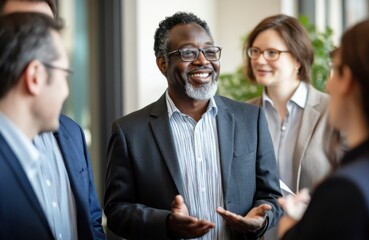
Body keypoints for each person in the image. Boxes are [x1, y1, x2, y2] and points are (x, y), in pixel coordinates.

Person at [104, 11, 283, 239]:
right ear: (162, 63)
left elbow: (271, 197)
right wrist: (167, 223)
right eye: (188, 53)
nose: (203, 61)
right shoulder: (129, 132)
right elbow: (117, 210)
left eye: (210, 51)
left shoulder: (251, 119)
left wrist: (261, 220)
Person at [278, 16, 369, 239]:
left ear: (347, 79)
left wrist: (290, 229)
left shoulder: (345, 192)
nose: (328, 85)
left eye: (334, 69)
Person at [0, 1, 105, 239]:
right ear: (35, 76)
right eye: (63, 74)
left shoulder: (73, 133)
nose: (66, 91)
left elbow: (91, 221)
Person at [243, 14, 341, 239]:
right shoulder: (243, 115)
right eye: (255, 51)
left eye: (272, 53)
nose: (259, 60)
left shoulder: (333, 110)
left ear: (298, 58)